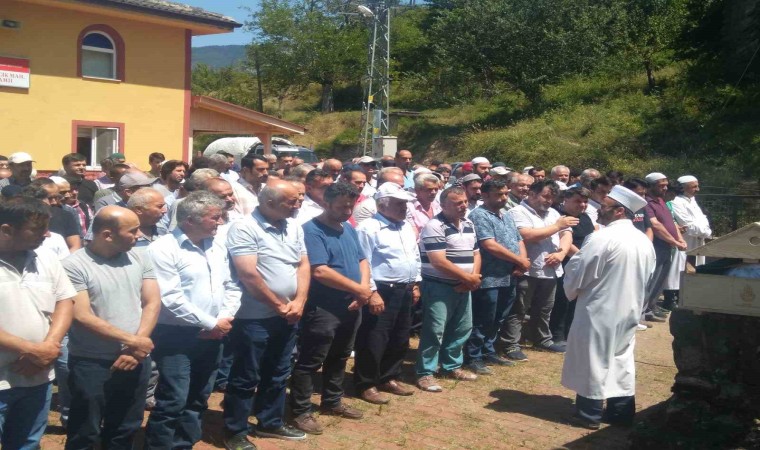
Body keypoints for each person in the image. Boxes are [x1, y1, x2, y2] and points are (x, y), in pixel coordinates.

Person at [144, 191, 241, 449]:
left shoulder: (217, 246)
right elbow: (170, 297)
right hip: (176, 336)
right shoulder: (163, 249)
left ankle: (184, 443)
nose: (220, 223)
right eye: (214, 218)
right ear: (190, 220)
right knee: (173, 397)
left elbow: (232, 285)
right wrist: (211, 324)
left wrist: (223, 319)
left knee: (199, 396)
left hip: (215, 334)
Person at [63, 206, 161, 450]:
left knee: (126, 426)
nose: (139, 235)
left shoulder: (140, 257)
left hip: (135, 358)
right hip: (92, 361)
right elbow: (81, 315)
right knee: (85, 429)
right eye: (133, 230)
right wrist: (134, 341)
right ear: (107, 234)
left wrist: (136, 346)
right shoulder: (74, 265)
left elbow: (152, 302)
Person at [222, 180, 309, 449]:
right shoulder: (244, 228)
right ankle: (234, 430)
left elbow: (303, 263)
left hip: (288, 314)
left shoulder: (293, 225)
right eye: (292, 201)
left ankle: (270, 421)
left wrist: (300, 300)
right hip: (254, 317)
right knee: (246, 375)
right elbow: (248, 274)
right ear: (269, 203)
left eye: (298, 200)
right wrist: (279, 306)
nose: (298, 205)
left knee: (279, 371)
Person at [561, 185, 655, 430]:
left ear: (619, 211)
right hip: (629, 308)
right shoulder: (643, 241)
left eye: (604, 207)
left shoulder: (603, 237)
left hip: (599, 309)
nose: (599, 210)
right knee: (621, 359)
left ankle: (588, 414)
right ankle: (620, 412)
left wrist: (571, 284)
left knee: (593, 358)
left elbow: (580, 269)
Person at [290, 183, 369, 435]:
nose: (347, 210)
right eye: (341, 205)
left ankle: (332, 401)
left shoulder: (348, 229)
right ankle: (301, 411)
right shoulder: (312, 231)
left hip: (351, 304)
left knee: (340, 355)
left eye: (350, 205)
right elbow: (320, 270)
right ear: (326, 203)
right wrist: (359, 289)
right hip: (323, 307)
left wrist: (363, 288)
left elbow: (362, 260)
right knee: (311, 359)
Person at [0, 197, 75, 449]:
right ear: (7, 230)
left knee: (27, 443)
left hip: (37, 376)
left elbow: (65, 301)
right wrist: (32, 349)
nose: (47, 234)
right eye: (37, 228)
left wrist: (49, 347)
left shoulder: (45, 259)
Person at [354, 184, 421, 404]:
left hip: (405, 288)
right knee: (374, 338)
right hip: (382, 289)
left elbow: (414, 256)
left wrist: (416, 283)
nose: (405, 208)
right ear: (383, 204)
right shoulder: (368, 228)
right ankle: (367, 383)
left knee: (400, 337)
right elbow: (363, 262)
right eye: (400, 204)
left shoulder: (406, 226)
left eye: (405, 203)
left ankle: (389, 376)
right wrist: (372, 292)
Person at [416, 186, 482, 392]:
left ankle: (451, 366)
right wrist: (469, 278)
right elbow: (438, 262)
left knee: (462, 328)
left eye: (464, 201)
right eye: (457, 203)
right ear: (443, 205)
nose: (463, 206)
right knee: (434, 330)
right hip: (439, 286)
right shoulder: (434, 226)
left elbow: (476, 254)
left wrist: (471, 279)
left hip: (464, 286)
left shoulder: (469, 223)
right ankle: (425, 372)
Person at [505, 180, 577, 359]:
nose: (549, 201)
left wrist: (561, 254)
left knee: (545, 307)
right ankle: (511, 343)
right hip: (528, 268)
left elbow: (566, 234)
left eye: (552, 198)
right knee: (519, 308)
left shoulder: (553, 213)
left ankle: (541, 338)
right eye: (545, 196)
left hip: (551, 269)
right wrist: (557, 226)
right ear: (532, 194)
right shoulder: (517, 212)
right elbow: (527, 235)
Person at [464, 180, 529, 375]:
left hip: (509, 275)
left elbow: (519, 239)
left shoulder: (506, 215)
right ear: (484, 196)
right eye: (498, 195)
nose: (503, 198)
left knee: (499, 316)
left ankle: (488, 350)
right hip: (489, 277)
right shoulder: (479, 215)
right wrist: (519, 260)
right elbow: (489, 244)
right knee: (484, 317)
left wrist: (522, 261)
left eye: (505, 194)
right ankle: (473, 356)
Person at [549, 187, 596, 345]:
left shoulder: (585, 218)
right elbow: (566, 243)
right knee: (562, 301)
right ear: (566, 200)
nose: (582, 205)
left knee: (577, 302)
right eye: (578, 201)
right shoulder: (559, 216)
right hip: (566, 265)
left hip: (585, 264)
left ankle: (571, 334)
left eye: (585, 201)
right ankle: (557, 335)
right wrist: (584, 257)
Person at [641, 172, 687, 323]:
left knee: (661, 278)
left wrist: (679, 238)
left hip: (667, 246)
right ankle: (644, 310)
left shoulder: (661, 201)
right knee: (652, 279)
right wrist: (675, 242)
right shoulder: (647, 203)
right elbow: (655, 225)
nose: (665, 188)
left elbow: (672, 222)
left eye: (666, 185)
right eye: (661, 185)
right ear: (650, 186)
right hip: (657, 246)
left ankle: (651, 307)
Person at [671, 175, 711, 266]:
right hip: (687, 242)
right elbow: (688, 225)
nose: (698, 189)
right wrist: (706, 232)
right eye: (694, 187)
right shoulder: (676, 202)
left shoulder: (692, 200)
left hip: (699, 240)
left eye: (697, 186)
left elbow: (703, 219)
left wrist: (705, 231)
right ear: (683, 188)